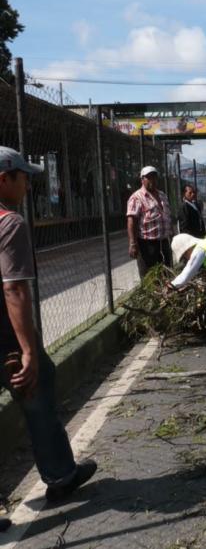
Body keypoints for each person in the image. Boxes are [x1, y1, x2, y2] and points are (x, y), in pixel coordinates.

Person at [0, 147, 97, 502]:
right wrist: (28, 351)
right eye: (23, 176)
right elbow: (13, 289)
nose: (28, 183)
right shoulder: (9, 222)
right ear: (3, 179)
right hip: (5, 335)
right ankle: (60, 477)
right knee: (38, 389)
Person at [127, 166, 174, 278]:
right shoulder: (136, 197)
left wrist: (172, 233)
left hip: (164, 243)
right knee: (150, 278)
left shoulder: (162, 195)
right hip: (147, 245)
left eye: (154, 177)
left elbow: (167, 216)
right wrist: (133, 244)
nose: (152, 180)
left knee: (167, 273)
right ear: (142, 179)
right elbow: (131, 221)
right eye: (149, 177)